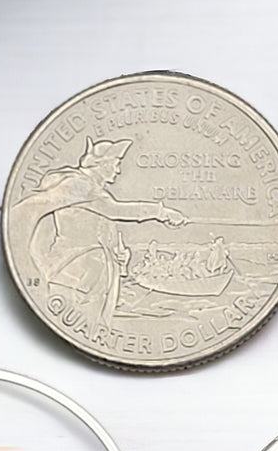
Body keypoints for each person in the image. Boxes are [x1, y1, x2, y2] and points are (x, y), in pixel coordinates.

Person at [12, 138, 186, 325]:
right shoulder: (81, 186)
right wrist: (161, 212)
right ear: (102, 165)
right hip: (75, 275)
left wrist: (117, 252)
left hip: (86, 275)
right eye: (115, 164)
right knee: (86, 324)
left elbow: (100, 225)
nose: (117, 171)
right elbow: (116, 210)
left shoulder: (89, 189)